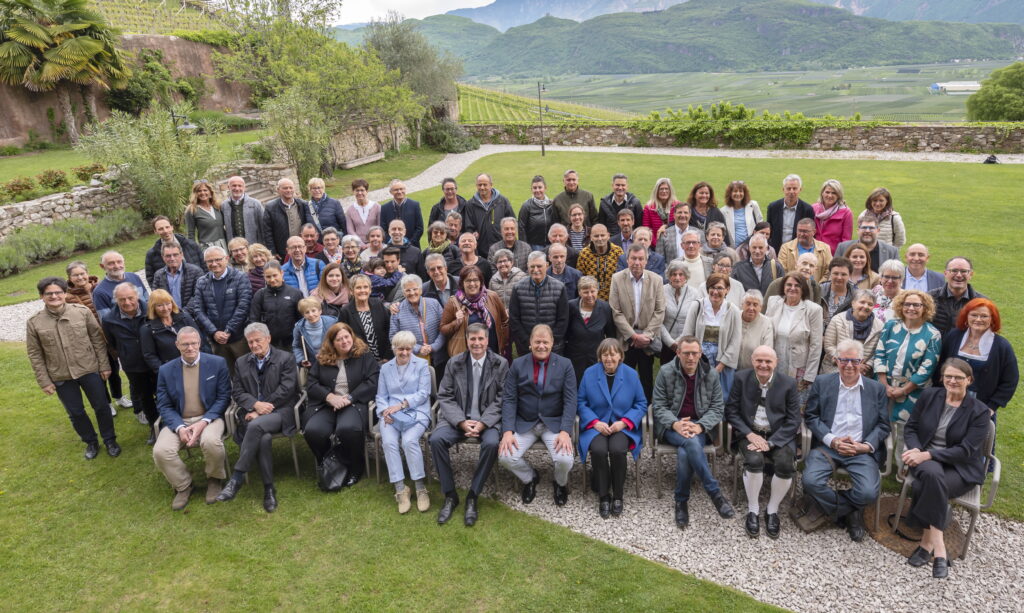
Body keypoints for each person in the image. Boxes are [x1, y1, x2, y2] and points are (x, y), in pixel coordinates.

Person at [902, 358, 991, 579]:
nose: (952, 381)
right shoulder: (930, 396)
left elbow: (966, 450)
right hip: (924, 460)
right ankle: (939, 549)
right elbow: (911, 427)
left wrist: (928, 454)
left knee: (928, 483)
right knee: (931, 473)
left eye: (958, 377)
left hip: (959, 468)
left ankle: (927, 544)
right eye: (948, 376)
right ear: (942, 378)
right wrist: (916, 451)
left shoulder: (979, 412)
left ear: (969, 380)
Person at [800, 339, 890, 541]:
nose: (849, 365)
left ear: (862, 361)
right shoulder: (823, 383)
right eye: (844, 360)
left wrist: (865, 446)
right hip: (828, 447)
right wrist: (832, 440)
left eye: (854, 361)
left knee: (868, 493)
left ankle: (834, 509)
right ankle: (851, 513)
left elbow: (884, 425)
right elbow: (811, 416)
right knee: (810, 482)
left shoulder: (876, 389)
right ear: (836, 360)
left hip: (860, 449)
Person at [26, 277, 118, 459]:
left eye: (58, 292)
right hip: (61, 375)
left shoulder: (82, 312)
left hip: (89, 369)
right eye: (49, 293)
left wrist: (104, 365)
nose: (54, 296)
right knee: (75, 412)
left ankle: (110, 440)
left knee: (101, 407)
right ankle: (91, 442)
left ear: (64, 293)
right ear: (41, 296)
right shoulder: (34, 322)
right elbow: (35, 354)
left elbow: (98, 340)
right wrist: (44, 381)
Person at [430, 323, 509, 526]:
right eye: (472, 339)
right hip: (458, 420)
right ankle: (450, 495)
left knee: (492, 444)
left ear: (487, 340)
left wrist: (483, 423)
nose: (476, 343)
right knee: (436, 439)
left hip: (487, 422)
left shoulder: (500, 364)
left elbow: (502, 398)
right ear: (467, 340)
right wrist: (461, 422)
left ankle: (473, 495)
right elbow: (445, 396)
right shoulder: (454, 363)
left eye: (480, 338)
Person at [652, 336, 735, 529]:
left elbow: (717, 407)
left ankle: (681, 502)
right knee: (689, 443)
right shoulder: (665, 372)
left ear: (700, 354)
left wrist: (700, 426)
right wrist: (675, 424)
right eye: (686, 353)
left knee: (685, 450)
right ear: (678, 353)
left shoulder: (711, 374)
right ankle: (715, 494)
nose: (690, 357)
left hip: (699, 425)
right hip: (672, 425)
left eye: (694, 353)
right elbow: (659, 406)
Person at [216, 323, 299, 513]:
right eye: (250, 342)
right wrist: (254, 405)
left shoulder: (285, 358)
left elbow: (287, 390)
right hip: (252, 414)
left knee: (256, 426)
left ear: (268, 338)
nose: (254, 345)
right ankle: (269, 490)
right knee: (263, 437)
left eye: (257, 340)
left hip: (280, 412)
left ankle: (236, 479)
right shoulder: (241, 362)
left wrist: (261, 409)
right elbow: (237, 391)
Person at [726, 346, 800, 539]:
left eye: (768, 361)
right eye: (759, 360)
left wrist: (772, 442)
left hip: (778, 436)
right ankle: (753, 509)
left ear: (776, 363)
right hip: (750, 434)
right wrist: (750, 435)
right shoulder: (741, 378)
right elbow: (731, 412)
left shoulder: (789, 383)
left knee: (785, 464)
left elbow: (793, 420)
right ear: (752, 361)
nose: (763, 365)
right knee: (754, 461)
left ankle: (772, 511)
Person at [153, 327, 230, 510]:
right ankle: (184, 485)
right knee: (161, 451)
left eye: (194, 343)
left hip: (209, 417)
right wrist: (180, 427)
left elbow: (223, 397)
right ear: (177, 345)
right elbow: (164, 405)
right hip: (180, 420)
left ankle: (214, 479)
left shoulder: (217, 363)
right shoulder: (165, 370)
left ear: (200, 343)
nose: (190, 348)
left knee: (211, 441)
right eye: (185, 344)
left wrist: (204, 422)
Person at [499, 325, 577, 506]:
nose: (541, 346)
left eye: (545, 342)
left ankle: (560, 483)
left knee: (565, 460)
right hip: (525, 422)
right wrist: (507, 431)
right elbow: (510, 399)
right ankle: (530, 478)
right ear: (530, 344)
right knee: (505, 457)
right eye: (537, 342)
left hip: (553, 423)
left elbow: (571, 401)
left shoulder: (565, 365)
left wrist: (565, 431)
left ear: (552, 344)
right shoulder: (518, 364)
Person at [304, 322, 381, 485]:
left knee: (347, 429)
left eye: (347, 337)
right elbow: (311, 384)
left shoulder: (364, 356)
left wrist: (350, 397)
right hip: (327, 404)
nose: (344, 341)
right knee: (313, 431)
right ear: (332, 343)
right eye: (339, 339)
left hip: (354, 403)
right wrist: (329, 397)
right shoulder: (323, 359)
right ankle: (329, 462)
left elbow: (373, 381)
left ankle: (355, 466)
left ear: (352, 337)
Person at [578, 338, 647, 518]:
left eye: (613, 354)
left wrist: (624, 422)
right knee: (599, 451)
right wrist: (595, 422)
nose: (609, 358)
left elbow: (641, 403)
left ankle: (618, 495)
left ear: (620, 356)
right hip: (597, 425)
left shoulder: (631, 374)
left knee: (617, 450)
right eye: (605, 354)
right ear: (600, 357)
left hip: (621, 426)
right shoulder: (589, 373)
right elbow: (581, 402)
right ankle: (603, 496)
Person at [376, 331, 433, 513]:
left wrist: (401, 406)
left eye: (408, 349)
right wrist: (384, 412)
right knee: (389, 443)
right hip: (391, 414)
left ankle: (420, 487)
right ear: (394, 349)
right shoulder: (385, 368)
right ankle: (400, 489)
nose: (405, 353)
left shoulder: (422, 365)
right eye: (401, 349)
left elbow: (424, 394)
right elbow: (381, 396)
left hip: (416, 412)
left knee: (409, 442)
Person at [936, 298, 1018, 421]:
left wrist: (991, 407)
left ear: (992, 319)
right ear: (966, 316)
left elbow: (1010, 380)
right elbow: (939, 367)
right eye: (974, 315)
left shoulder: (1001, 346)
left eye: (984, 316)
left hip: (981, 406)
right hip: (948, 400)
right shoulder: (953, 336)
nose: (978, 319)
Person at [66, 261, 126, 413]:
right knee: (100, 374)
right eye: (75, 275)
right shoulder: (68, 297)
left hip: (109, 337)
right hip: (91, 341)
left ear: (87, 273)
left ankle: (119, 397)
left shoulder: (100, 287)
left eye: (82, 273)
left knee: (114, 370)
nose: (80, 277)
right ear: (70, 278)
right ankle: (107, 404)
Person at [874, 289, 942, 422]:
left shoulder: (933, 334)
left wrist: (904, 390)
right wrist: (884, 386)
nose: (911, 308)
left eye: (916, 305)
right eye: (907, 304)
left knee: (902, 432)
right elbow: (879, 354)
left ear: (925, 308)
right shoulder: (890, 326)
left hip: (913, 392)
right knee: (877, 424)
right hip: (883, 387)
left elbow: (927, 368)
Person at [102, 283, 159, 441]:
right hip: (133, 366)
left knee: (163, 393)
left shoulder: (151, 310)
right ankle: (154, 427)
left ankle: (170, 423)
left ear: (137, 296)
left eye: (130, 298)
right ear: (116, 301)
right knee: (145, 397)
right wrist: (126, 353)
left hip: (156, 361)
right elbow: (112, 343)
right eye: (122, 300)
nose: (127, 302)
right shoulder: (108, 319)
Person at [609, 244, 666, 403]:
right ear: (627, 260)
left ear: (646, 261)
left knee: (646, 378)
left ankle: (646, 410)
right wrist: (633, 336)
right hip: (627, 339)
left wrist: (646, 336)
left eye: (641, 259)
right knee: (623, 378)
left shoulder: (656, 280)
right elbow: (616, 311)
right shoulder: (617, 279)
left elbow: (660, 311)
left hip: (647, 341)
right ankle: (623, 409)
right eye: (633, 258)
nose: (637, 262)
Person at [188, 245, 253, 374]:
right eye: (210, 261)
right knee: (225, 374)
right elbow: (198, 309)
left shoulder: (240, 277)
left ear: (226, 259)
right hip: (216, 341)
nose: (214, 264)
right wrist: (214, 332)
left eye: (218, 259)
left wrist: (228, 330)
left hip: (238, 338)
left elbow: (243, 306)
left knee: (247, 373)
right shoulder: (202, 282)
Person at [765, 272, 823, 404]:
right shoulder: (773, 302)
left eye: (797, 285)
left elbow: (816, 344)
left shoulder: (813, 310)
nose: (792, 288)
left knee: (794, 404)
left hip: (799, 367)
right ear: (783, 287)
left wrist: (809, 375)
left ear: (803, 289)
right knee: (773, 400)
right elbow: (766, 332)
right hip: (775, 362)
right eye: (789, 285)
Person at [683, 274, 742, 399]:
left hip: (722, 362)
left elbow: (735, 341)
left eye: (720, 288)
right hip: (698, 360)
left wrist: (720, 366)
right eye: (712, 287)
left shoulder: (733, 311)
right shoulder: (697, 306)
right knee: (697, 396)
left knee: (721, 398)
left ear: (727, 289)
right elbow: (687, 335)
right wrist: (694, 360)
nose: (715, 292)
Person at [440, 265, 509, 360]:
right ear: (462, 283)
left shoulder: (492, 297)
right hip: (466, 357)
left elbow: (504, 322)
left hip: (493, 353)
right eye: (468, 280)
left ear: (481, 282)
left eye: (476, 280)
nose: (472, 284)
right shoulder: (453, 302)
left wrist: (503, 343)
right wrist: (457, 322)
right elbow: (443, 329)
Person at [508, 252, 569, 355]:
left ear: (546, 265)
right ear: (527, 266)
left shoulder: (559, 287)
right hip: (526, 347)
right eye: (532, 266)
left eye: (539, 266)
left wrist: (549, 342)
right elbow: (514, 319)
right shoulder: (518, 288)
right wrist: (528, 342)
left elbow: (563, 319)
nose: (535, 270)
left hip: (552, 347)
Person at [390, 274, 446, 375]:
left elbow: (444, 329)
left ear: (420, 290)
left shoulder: (434, 304)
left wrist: (433, 347)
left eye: (415, 289)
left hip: (438, 359)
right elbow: (394, 337)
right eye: (408, 290)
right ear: (403, 292)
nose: (412, 293)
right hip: (411, 362)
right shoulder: (397, 310)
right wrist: (417, 348)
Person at [566, 275, 617, 382]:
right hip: (574, 358)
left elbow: (611, 335)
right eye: (585, 292)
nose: (590, 295)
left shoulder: (605, 308)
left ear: (597, 291)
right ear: (579, 292)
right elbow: (565, 332)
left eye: (592, 291)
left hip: (596, 358)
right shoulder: (570, 307)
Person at [822, 289, 882, 375]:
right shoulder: (838, 320)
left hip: (863, 373)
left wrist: (867, 366)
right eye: (862, 302)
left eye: (870, 304)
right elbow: (829, 346)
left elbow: (878, 352)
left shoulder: (879, 326)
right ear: (853, 303)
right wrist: (849, 363)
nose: (865, 306)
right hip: (834, 370)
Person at [140, 289, 201, 373]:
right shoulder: (147, 329)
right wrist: (165, 372)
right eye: (160, 305)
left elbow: (200, 341)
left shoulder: (185, 318)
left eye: (168, 304)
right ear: (153, 307)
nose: (165, 308)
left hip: (196, 365)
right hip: (171, 371)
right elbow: (150, 356)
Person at [337, 274, 392, 363]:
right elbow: (344, 337)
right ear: (351, 291)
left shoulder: (378, 304)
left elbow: (389, 329)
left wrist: (387, 356)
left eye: (365, 287)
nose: (362, 290)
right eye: (358, 288)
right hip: (360, 361)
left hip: (384, 359)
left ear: (370, 290)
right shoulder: (345, 312)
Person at [248, 261, 302, 350]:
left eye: (275, 275)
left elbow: (301, 320)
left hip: (292, 343)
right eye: (268, 277)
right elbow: (254, 320)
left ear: (281, 273)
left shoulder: (295, 293)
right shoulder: (260, 295)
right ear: (264, 277)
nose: (272, 279)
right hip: (269, 343)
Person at [929, 256, 986, 336]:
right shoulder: (929, 298)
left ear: (971, 274)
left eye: (963, 271)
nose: (959, 275)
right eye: (954, 271)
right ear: (945, 273)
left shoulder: (982, 302)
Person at [144, 216, 205, 286]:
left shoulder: (191, 245)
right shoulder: (152, 254)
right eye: (161, 229)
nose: (165, 231)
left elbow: (204, 266)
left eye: (167, 227)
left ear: (172, 227)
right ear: (155, 231)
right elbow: (151, 279)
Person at [463, 173, 514, 257]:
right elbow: (468, 226)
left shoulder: (502, 201)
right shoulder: (470, 204)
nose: (482, 187)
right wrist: (473, 233)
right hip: (480, 250)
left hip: (501, 248)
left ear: (491, 185)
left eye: (485, 184)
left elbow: (512, 221)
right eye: (479, 185)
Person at [660, 261, 699, 366]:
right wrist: (671, 343)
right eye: (674, 274)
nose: (677, 278)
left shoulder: (695, 293)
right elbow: (657, 319)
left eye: (681, 274)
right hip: (666, 344)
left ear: (686, 276)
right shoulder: (661, 291)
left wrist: (680, 342)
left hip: (687, 344)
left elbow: (695, 320)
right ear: (669, 276)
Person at [261, 178, 309, 261]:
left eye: (291, 188)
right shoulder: (271, 207)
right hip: (282, 251)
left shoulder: (302, 204)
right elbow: (267, 231)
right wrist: (272, 251)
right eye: (285, 188)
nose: (288, 190)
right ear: (278, 190)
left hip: (301, 249)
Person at [766, 174, 815, 254]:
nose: (791, 191)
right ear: (783, 189)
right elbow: (769, 231)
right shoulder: (773, 207)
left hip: (798, 251)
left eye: (795, 188)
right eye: (788, 188)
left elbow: (810, 234)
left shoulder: (807, 209)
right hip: (777, 250)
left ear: (800, 189)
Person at [92, 250, 148, 318]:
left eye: (119, 262)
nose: (117, 266)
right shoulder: (99, 292)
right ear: (102, 266)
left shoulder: (134, 277)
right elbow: (106, 320)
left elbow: (148, 301)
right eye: (111, 263)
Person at [575, 223, 623, 301]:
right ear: (591, 237)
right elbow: (580, 278)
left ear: (608, 235)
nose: (600, 239)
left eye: (602, 235)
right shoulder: (584, 254)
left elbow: (623, 276)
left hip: (614, 299)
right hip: (591, 299)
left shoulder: (617, 252)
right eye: (596, 236)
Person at [152, 241, 203, 312]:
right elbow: (156, 298)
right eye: (168, 256)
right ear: (163, 257)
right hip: (168, 316)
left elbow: (197, 297)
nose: (172, 258)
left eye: (175, 255)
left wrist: (182, 314)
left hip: (192, 316)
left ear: (181, 255)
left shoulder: (196, 272)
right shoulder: (158, 275)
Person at [293, 297, 338, 368]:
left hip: (333, 361)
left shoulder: (333, 322)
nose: (311, 315)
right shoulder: (299, 328)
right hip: (312, 365)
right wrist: (301, 360)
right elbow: (297, 347)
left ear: (320, 311)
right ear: (303, 315)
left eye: (313, 311)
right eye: (307, 312)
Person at [812, 179, 852, 257]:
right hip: (813, 254)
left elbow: (846, 240)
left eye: (834, 193)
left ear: (839, 195)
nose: (830, 195)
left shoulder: (846, 213)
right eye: (827, 192)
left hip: (833, 256)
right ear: (822, 193)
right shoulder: (813, 209)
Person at [183, 179, 227, 251]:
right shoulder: (192, 210)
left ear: (210, 192)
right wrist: (193, 251)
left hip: (223, 245)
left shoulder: (217, 206)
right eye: (199, 191)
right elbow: (191, 234)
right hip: (208, 247)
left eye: (205, 190)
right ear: (195, 194)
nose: (202, 193)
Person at [222, 175, 266, 246]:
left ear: (244, 188)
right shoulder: (224, 205)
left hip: (253, 245)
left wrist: (263, 244)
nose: (237, 188)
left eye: (240, 186)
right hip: (234, 247)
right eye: (234, 186)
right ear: (228, 187)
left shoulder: (255, 204)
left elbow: (264, 226)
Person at [737, 290, 774, 371]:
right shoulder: (734, 317)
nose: (751, 308)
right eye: (748, 303)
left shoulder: (766, 323)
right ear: (742, 305)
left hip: (754, 371)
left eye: (755, 305)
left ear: (760, 307)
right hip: (731, 370)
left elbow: (767, 351)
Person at [380, 179, 423, 246]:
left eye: (401, 189)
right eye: (396, 190)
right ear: (391, 192)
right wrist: (392, 243)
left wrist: (409, 243)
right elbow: (383, 230)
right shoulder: (384, 208)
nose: (399, 192)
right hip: (391, 247)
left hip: (412, 246)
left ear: (405, 190)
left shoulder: (415, 205)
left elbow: (419, 228)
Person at [518, 175, 556, 250]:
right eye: (535, 188)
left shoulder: (551, 205)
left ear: (545, 188)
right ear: (531, 189)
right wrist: (525, 247)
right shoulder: (526, 206)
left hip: (551, 245)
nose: (537, 190)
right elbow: (521, 227)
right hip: (534, 246)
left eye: (540, 187)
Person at [686, 181, 730, 245]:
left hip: (712, 249)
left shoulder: (716, 212)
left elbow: (724, 234)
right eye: (701, 193)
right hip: (691, 247)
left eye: (707, 193)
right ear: (695, 195)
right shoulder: (688, 211)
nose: (704, 195)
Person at [721, 180, 762, 248]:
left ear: (744, 193)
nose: (738, 194)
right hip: (734, 248)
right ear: (730, 194)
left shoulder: (753, 205)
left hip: (752, 247)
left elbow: (760, 225)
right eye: (735, 191)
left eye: (740, 191)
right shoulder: (723, 211)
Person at [641, 177, 680, 247]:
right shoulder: (649, 208)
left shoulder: (677, 206)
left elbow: (680, 224)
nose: (664, 191)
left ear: (670, 191)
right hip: (655, 244)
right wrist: (657, 244)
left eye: (666, 189)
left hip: (674, 244)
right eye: (661, 189)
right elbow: (647, 229)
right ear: (656, 191)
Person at [819, 257, 857, 327]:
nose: (839, 277)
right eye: (836, 273)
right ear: (830, 273)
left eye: (843, 274)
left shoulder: (856, 296)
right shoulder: (819, 290)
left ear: (850, 275)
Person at [346, 178, 380, 244]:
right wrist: (360, 243)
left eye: (362, 190)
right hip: (358, 244)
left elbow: (380, 226)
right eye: (357, 190)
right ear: (353, 191)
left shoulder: (377, 207)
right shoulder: (350, 210)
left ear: (367, 191)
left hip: (375, 242)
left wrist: (372, 242)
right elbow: (350, 230)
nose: (360, 193)